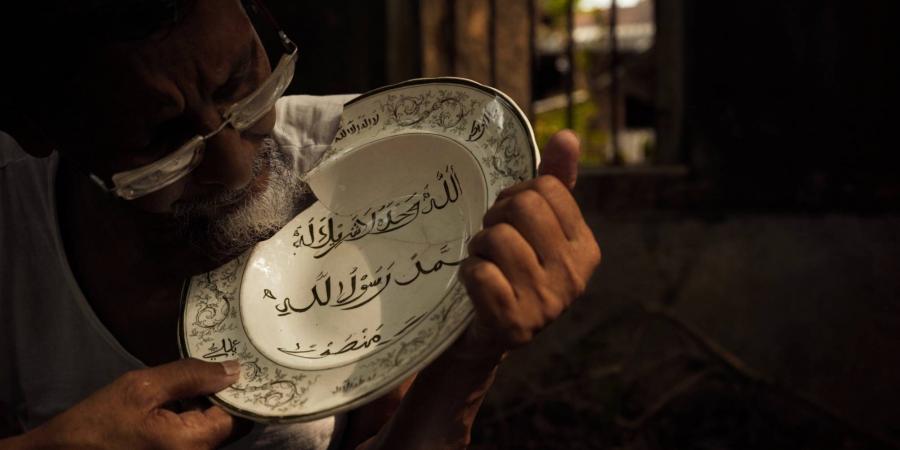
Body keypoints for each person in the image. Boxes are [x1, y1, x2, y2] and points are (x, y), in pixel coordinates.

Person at [0, 0, 600, 448]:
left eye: (242, 83)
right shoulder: (13, 231)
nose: (235, 169)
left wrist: (469, 357)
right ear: (37, 130)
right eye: (160, 142)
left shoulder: (385, 167)